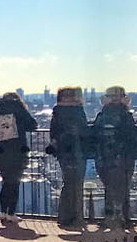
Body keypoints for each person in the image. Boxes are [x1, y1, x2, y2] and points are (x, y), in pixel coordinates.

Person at [0, 91, 37, 226]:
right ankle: (11, 213)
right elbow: (33, 125)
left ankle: (3, 212)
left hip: (1, 151)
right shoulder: (19, 110)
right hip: (17, 150)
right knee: (14, 183)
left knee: (5, 182)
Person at [92, 86, 137, 230]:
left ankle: (112, 218)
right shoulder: (125, 115)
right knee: (122, 188)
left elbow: (95, 134)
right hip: (123, 157)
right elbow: (131, 136)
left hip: (106, 156)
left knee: (111, 187)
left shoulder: (103, 115)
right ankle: (122, 218)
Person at [49, 86, 90, 230]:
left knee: (69, 183)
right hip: (77, 151)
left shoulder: (57, 112)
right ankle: (76, 217)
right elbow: (83, 130)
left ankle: (67, 217)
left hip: (64, 152)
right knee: (77, 184)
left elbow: (53, 132)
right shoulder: (78, 110)